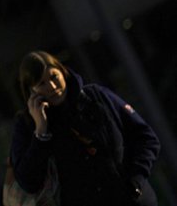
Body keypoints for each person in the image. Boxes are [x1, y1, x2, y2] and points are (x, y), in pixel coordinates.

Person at [10, 50, 161, 206]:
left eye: (54, 77)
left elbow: (146, 138)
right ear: (31, 91)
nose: (52, 86)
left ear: (63, 72)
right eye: (41, 83)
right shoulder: (26, 126)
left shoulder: (96, 96)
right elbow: (28, 182)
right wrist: (40, 132)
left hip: (132, 200)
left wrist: (136, 180)